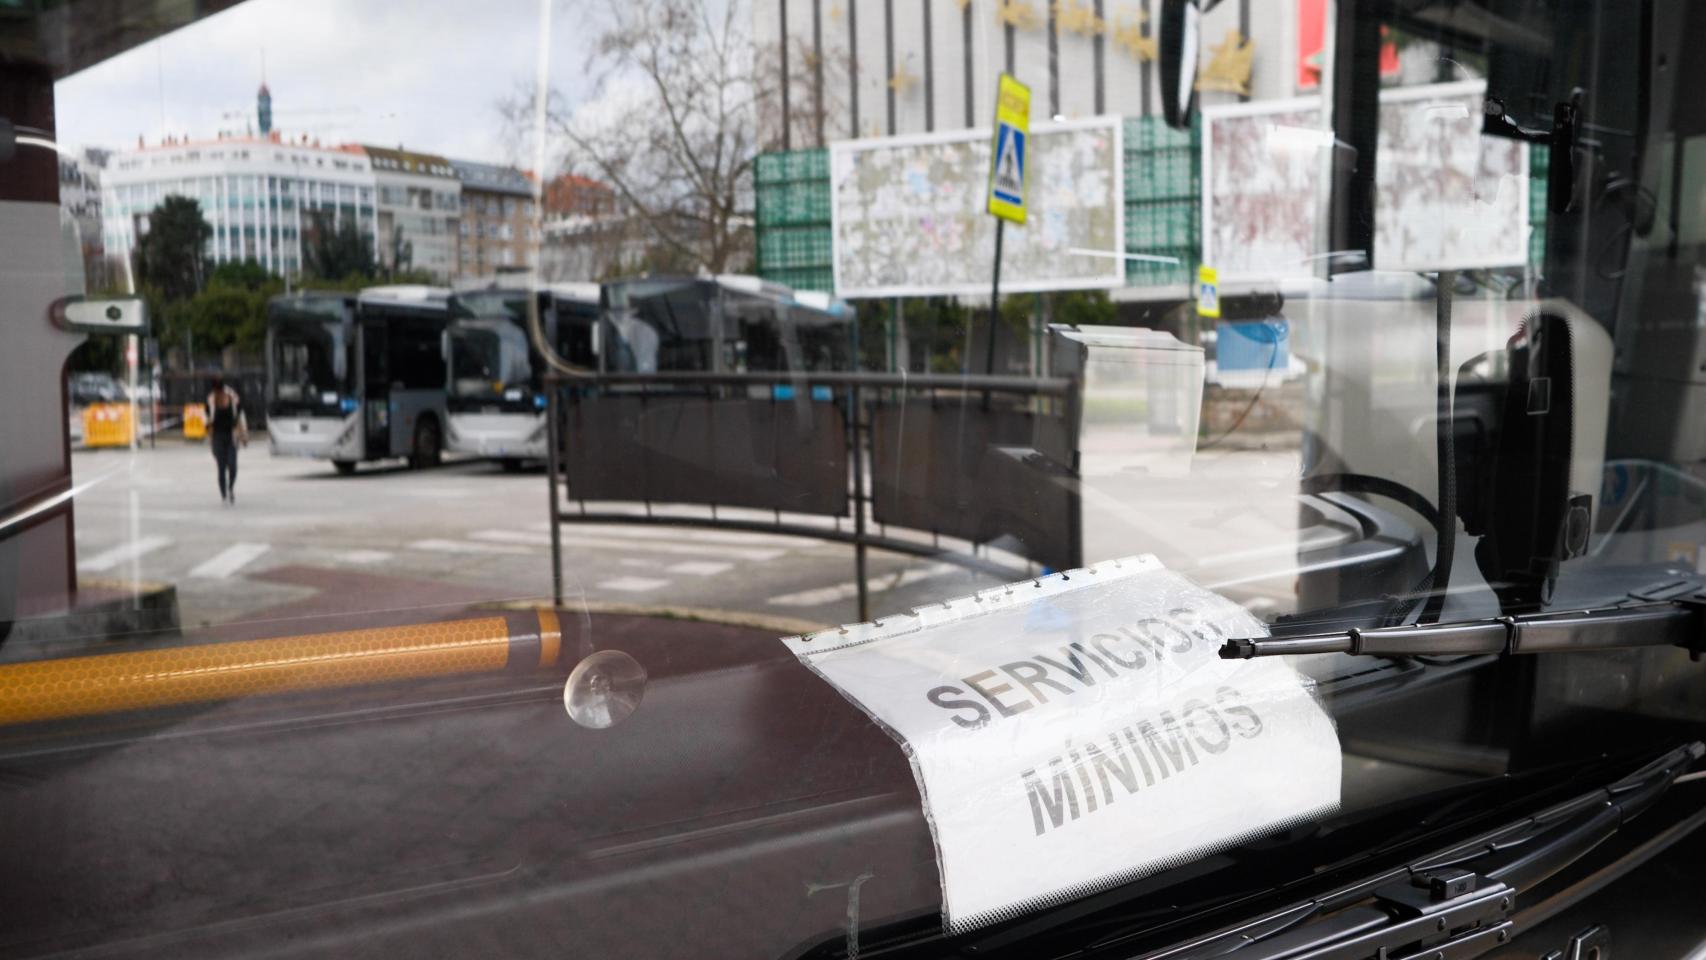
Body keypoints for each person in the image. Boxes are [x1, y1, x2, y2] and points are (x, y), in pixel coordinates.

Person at [206, 377, 249, 503]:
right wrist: (209, 435)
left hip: (231, 436)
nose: (217, 394)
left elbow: (240, 416)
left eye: (218, 391)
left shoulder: (233, 398)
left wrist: (244, 434)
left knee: (232, 465)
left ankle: (230, 487)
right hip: (217, 437)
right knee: (221, 466)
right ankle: (223, 492)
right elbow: (207, 420)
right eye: (215, 391)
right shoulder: (211, 401)